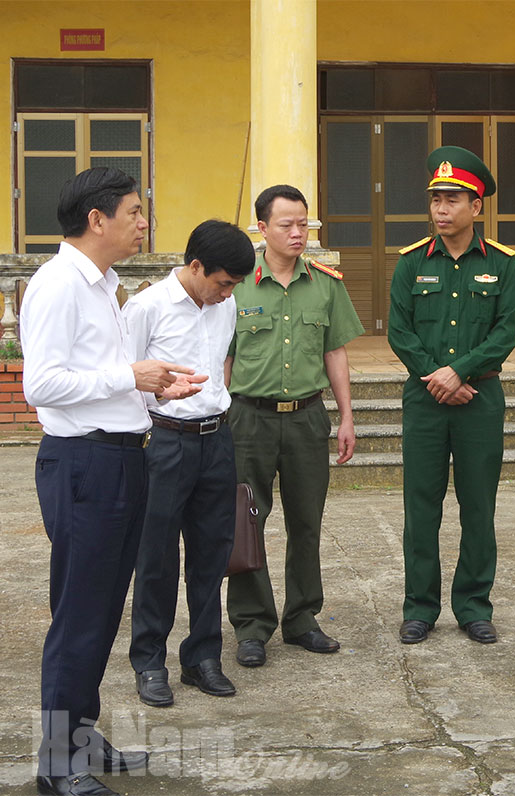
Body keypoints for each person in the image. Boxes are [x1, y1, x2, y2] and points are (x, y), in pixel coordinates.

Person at [21, 166, 205, 796]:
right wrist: (130, 377)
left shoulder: (103, 284)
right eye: (133, 212)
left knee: (101, 608)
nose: (143, 223)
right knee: (79, 610)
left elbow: (103, 373)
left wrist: (155, 386)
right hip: (84, 465)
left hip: (121, 455)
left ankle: (79, 734)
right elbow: (41, 385)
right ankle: (56, 762)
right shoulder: (58, 286)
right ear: (96, 219)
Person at [225, 185, 364, 667]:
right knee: (247, 521)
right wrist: (222, 415)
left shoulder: (325, 283)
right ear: (261, 229)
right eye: (286, 224)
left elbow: (335, 352)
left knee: (307, 522)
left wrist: (345, 416)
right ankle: (251, 624)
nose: (297, 232)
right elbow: (224, 356)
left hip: (307, 418)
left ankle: (302, 618)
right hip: (247, 418)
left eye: (303, 223)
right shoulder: (237, 284)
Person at [388, 146, 515, 645]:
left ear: (477, 207)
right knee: (420, 506)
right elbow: (400, 332)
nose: (442, 209)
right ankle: (419, 606)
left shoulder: (503, 266)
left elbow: (506, 333)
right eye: (436, 199)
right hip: (425, 400)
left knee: (478, 506)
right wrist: (437, 377)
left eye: (453, 199)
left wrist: (460, 371)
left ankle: (473, 605)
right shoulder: (409, 264)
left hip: (480, 401)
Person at [125, 220, 256, 707]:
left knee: (212, 556)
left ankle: (203, 657)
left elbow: (220, 365)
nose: (227, 294)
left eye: (235, 286)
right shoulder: (146, 307)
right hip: (164, 442)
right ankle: (150, 661)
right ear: (195, 265)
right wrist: (148, 438)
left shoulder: (226, 304)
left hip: (217, 440)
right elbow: (126, 377)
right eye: (223, 283)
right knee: (156, 557)